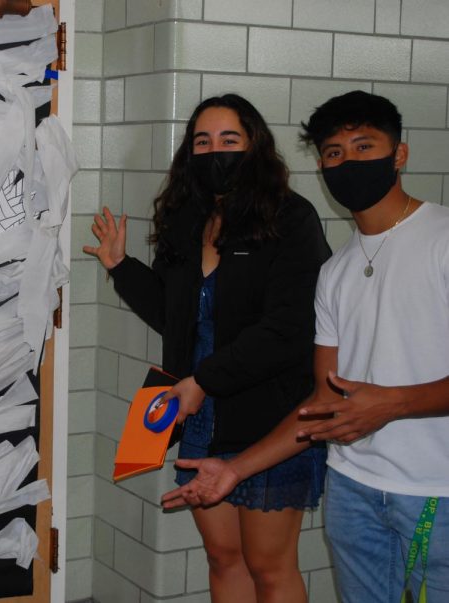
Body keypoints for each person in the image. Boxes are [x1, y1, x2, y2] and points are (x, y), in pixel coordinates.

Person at [162, 91, 449, 603]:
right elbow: (320, 402)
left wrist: (396, 402)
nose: (348, 163)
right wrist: (233, 469)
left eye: (364, 147)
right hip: (352, 486)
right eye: (334, 154)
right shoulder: (336, 272)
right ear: (321, 166)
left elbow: (280, 337)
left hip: (434, 492)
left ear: (399, 154)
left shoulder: (442, 240)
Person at [84, 94, 330, 603]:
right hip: (199, 416)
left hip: (269, 416)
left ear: (254, 144)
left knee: (269, 566)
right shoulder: (186, 218)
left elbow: (288, 328)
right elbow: (178, 319)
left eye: (229, 139)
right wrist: (120, 266)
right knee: (223, 558)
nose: (214, 150)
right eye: (203, 141)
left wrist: (204, 381)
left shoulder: (291, 218)